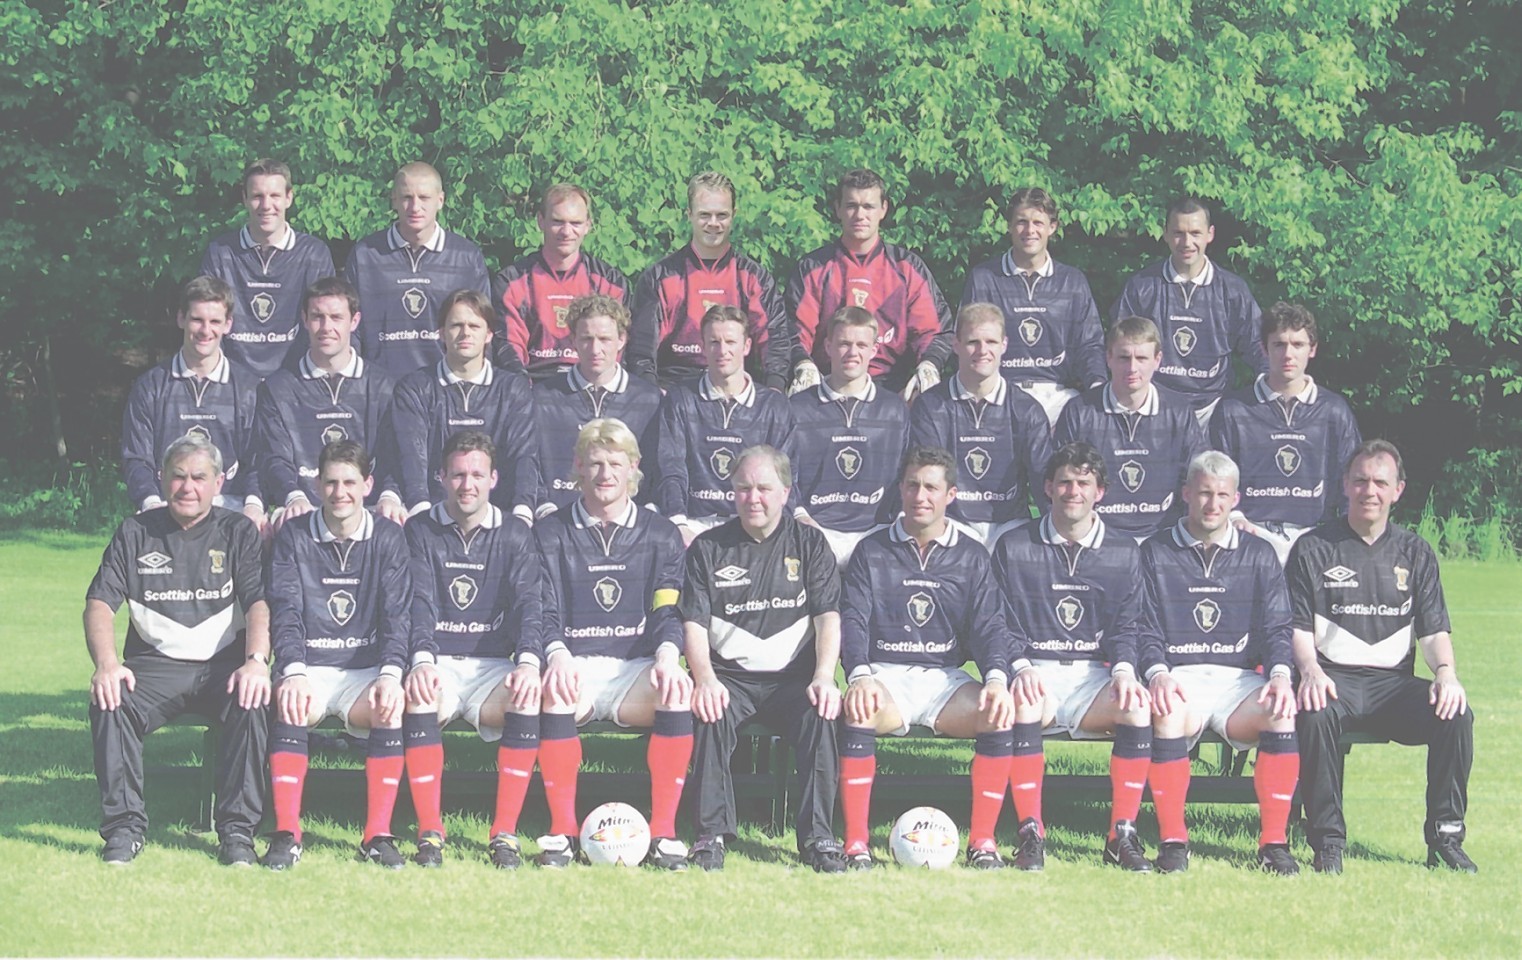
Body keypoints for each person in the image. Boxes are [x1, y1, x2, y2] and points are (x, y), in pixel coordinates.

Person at [1288, 440, 1476, 874]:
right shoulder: (1313, 547)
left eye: (1379, 482)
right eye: (1360, 481)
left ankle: (1446, 838)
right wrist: (1310, 669)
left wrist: (1446, 673)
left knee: (1456, 713)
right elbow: (1297, 628)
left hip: (1393, 686)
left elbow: (1433, 632)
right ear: (1345, 486)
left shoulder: (1416, 552)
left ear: (1398, 490)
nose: (1369, 490)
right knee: (1315, 713)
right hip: (1334, 679)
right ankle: (1327, 841)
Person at [85, 434, 271, 866]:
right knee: (110, 699)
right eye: (178, 476)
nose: (188, 487)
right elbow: (98, 603)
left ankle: (237, 833)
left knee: (255, 699)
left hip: (224, 666)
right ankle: (124, 829)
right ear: (161, 479)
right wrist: (107, 664)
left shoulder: (237, 530)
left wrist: (256, 663)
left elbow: (259, 604)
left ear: (219, 482)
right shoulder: (135, 531)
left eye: (199, 478)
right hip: (154, 668)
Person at [838, 447, 1015, 869]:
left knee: (997, 714)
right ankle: (856, 844)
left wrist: (995, 678)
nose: (921, 495)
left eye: (931, 487)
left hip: (945, 680)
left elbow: (990, 625)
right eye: (913, 485)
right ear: (900, 489)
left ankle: (984, 843)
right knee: (858, 711)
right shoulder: (871, 550)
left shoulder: (971, 555)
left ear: (950, 494)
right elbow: (853, 620)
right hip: (885, 677)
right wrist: (859, 676)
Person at [533, 419, 694, 870]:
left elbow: (668, 605)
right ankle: (562, 831)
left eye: (615, 464)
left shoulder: (661, 533)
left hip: (634, 668)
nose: (605, 473)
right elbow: (542, 607)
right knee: (553, 692)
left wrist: (666, 654)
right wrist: (557, 653)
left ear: (633, 469)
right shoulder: (550, 533)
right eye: (595, 463)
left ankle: (663, 832)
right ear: (578, 469)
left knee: (676, 687)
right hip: (576, 665)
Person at [990, 442, 1157, 871]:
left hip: (1094, 676)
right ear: (1047, 487)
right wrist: (1020, 664)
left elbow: (1129, 624)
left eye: (1084, 482)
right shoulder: (1013, 545)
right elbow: (998, 622)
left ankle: (1121, 834)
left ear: (1100, 491)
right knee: (1023, 702)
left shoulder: (1124, 551)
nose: (1073, 491)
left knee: (1137, 706)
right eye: (1064, 481)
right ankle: (1030, 832)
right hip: (1036, 671)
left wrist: (1123, 671)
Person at [682, 446, 847, 872]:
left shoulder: (810, 543)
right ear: (732, 493)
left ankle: (819, 837)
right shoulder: (707, 548)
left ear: (786, 492)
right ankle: (711, 835)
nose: (753, 498)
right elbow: (694, 625)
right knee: (709, 711)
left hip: (794, 679)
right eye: (743, 488)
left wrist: (825, 677)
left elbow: (829, 616)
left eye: (764, 488)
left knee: (822, 713)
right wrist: (702, 678)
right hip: (729, 678)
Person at [1138, 451, 1300, 875]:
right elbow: (1143, 625)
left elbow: (1278, 627)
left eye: (1222, 495)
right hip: (1180, 678)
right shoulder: (1154, 551)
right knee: (1167, 713)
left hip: (1240, 683)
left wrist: (1281, 675)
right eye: (1204, 493)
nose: (1212, 504)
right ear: (1186, 494)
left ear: (1235, 499)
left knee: (1281, 712)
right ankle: (1173, 840)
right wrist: (1156, 673)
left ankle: (1273, 844)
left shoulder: (1260, 553)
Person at [263, 441, 412, 869]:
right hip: (309, 668)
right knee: (290, 707)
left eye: (349, 482)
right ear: (316, 484)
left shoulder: (387, 537)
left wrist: (389, 674)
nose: (339, 492)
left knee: (389, 707)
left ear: (368, 485)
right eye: (330, 482)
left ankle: (377, 835)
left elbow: (398, 614)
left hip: (364, 672)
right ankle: (287, 833)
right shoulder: (294, 535)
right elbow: (285, 609)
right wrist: (291, 671)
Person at [400, 431, 544, 869]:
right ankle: (430, 831)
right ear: (440, 477)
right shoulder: (419, 529)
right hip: (438, 660)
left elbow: (529, 604)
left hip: (492, 667)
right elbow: (416, 601)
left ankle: (504, 833)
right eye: (458, 474)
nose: (468, 484)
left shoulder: (516, 534)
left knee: (528, 693)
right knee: (419, 694)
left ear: (494, 479)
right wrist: (421, 659)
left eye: (477, 475)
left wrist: (528, 663)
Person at [1210, 302, 1362, 564]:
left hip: (1317, 538)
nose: (1288, 354)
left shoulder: (1334, 411)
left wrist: (1343, 535)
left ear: (1312, 349)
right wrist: (1234, 518)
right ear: (1263, 348)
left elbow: (1352, 478)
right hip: (1248, 538)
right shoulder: (1233, 409)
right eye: (1279, 344)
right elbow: (1213, 476)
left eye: (1298, 345)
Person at [253, 277, 406, 530]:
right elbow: (275, 457)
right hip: (302, 507)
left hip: (367, 509)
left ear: (354, 321)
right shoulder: (277, 388)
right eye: (317, 317)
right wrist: (293, 495)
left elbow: (393, 455)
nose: (326, 327)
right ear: (304, 320)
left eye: (336, 317)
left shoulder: (384, 386)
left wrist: (389, 495)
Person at [788, 168, 952, 399]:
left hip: (893, 388)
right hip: (827, 387)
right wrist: (802, 363)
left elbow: (934, 330)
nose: (859, 215)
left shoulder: (907, 268)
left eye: (868, 206)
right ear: (838, 209)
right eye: (851, 206)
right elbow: (794, 330)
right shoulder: (814, 268)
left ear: (883, 209)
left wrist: (929, 364)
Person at [120, 276, 266, 536]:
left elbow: (259, 459)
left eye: (215, 322)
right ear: (181, 319)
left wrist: (254, 505)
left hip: (230, 510)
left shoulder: (250, 389)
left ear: (228, 325)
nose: (205, 330)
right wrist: (151, 503)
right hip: (167, 510)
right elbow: (136, 459)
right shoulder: (150, 386)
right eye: (197, 319)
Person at [385, 289, 539, 524]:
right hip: (433, 513)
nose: (465, 333)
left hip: (498, 517)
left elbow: (523, 456)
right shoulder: (415, 387)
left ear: (489, 334)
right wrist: (422, 517)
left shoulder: (513, 389)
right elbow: (412, 457)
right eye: (456, 325)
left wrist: (521, 516)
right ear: (441, 334)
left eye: (474, 326)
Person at [1111, 197, 1267, 422]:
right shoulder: (1142, 286)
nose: (1186, 242)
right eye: (1178, 233)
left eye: (1195, 233)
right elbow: (1119, 346)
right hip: (1155, 406)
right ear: (1165, 234)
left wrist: (1268, 386)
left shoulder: (1232, 290)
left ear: (1210, 234)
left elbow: (1258, 344)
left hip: (1214, 407)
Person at [629, 172, 790, 390]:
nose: (713, 223)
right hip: (675, 388)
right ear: (689, 214)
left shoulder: (753, 278)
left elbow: (774, 344)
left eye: (721, 215)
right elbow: (641, 350)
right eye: (705, 215)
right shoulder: (660, 277)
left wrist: (774, 391)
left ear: (734, 214)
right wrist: (651, 393)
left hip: (737, 387)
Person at [958, 188, 1105, 425]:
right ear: (1009, 226)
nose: (1030, 230)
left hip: (1059, 397)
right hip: (1001, 391)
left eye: (1038, 222)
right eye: (1021, 222)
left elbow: (1090, 344)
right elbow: (968, 342)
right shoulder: (984, 277)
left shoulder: (1072, 281)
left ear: (1052, 227)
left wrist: (1098, 386)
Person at [909, 303, 1051, 548]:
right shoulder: (931, 406)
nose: (982, 350)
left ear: (1004, 345)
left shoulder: (1027, 409)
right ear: (956, 345)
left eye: (991, 342)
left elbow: (1044, 482)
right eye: (973, 342)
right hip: (950, 524)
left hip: (1012, 525)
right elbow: (927, 480)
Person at [1054, 316, 1206, 543]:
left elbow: (1198, 476)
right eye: (1124, 357)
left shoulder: (1179, 412)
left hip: (1164, 537)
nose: (1132, 367)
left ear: (1157, 360)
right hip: (1098, 538)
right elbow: (1059, 479)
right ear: (1108, 358)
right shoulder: (1080, 411)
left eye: (1141, 358)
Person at [654, 305, 795, 545]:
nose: (723, 351)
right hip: (694, 522)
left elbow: (785, 477)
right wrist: (678, 522)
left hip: (753, 521)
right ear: (703, 346)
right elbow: (671, 466)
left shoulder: (774, 406)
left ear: (747, 346)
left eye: (730, 342)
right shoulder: (680, 399)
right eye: (714, 342)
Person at [788, 306, 910, 566]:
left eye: (861, 345)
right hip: (812, 530)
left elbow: (907, 472)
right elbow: (784, 474)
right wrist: (800, 517)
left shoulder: (894, 410)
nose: (853, 353)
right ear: (828, 346)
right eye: (844, 344)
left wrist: (898, 520)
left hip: (877, 533)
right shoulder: (797, 408)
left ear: (874, 350)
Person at [344, 162, 490, 376]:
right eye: (406, 197)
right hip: (381, 386)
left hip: (444, 387)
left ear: (440, 200)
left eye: (424, 198)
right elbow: (348, 326)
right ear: (394, 199)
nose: (415, 207)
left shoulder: (466, 257)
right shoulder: (366, 255)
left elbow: (483, 328)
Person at [200, 158, 336, 379]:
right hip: (232, 383)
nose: (266, 206)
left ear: (289, 198)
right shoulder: (220, 252)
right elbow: (206, 320)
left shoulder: (313, 254)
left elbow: (325, 324)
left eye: (274, 196)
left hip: (295, 382)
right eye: (257, 196)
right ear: (245, 198)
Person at [531, 295, 662, 516]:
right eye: (586, 339)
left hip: (630, 523)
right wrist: (545, 511)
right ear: (572, 340)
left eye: (604, 339)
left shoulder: (649, 399)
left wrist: (646, 518)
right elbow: (529, 464)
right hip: (558, 521)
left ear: (621, 340)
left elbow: (660, 469)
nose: (595, 349)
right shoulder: (542, 397)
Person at [493, 183, 629, 381]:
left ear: (588, 226)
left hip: (591, 384)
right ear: (541, 221)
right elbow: (508, 349)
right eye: (558, 222)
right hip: (534, 387)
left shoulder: (610, 283)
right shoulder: (512, 281)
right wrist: (523, 390)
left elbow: (618, 349)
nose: (566, 232)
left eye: (575, 223)